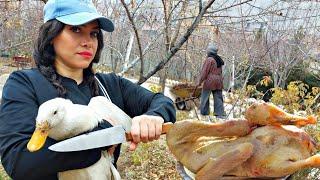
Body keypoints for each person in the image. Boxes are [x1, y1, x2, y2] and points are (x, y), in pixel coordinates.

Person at [0, 0, 176, 179]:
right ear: (51, 34)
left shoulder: (110, 85)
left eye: (93, 33)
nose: (88, 42)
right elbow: (19, 161)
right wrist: (102, 138)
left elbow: (163, 102)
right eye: (76, 29)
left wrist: (154, 116)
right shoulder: (25, 83)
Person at [195, 44, 225, 120]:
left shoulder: (209, 59)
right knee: (218, 98)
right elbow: (220, 72)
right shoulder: (218, 59)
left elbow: (204, 72)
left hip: (210, 81)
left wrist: (199, 81)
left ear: (209, 51)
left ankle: (204, 113)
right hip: (219, 80)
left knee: (205, 97)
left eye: (207, 50)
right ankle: (219, 114)